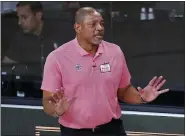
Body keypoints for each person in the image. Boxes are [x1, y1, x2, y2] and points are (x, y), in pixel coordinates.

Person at [41, 7, 169, 136]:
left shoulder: (115, 52)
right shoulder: (57, 57)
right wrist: (57, 110)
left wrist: (141, 97)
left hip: (112, 129)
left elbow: (123, 91)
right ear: (78, 27)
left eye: (102, 23)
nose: (100, 28)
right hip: (75, 132)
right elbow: (48, 102)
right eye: (93, 24)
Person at [3, 1, 73, 65]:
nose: (19, 22)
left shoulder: (63, 32)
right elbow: (7, 64)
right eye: (18, 18)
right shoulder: (20, 37)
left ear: (38, 16)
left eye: (24, 17)